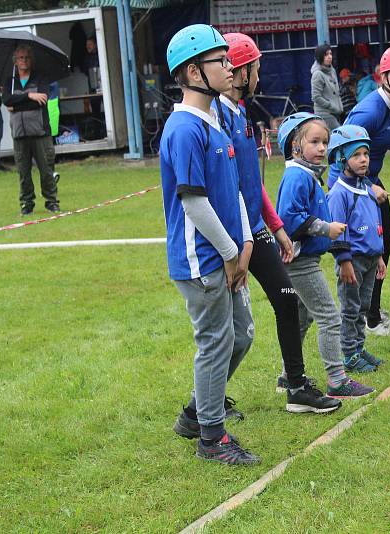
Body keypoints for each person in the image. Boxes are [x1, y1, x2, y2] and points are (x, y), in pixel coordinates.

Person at [209, 32, 341, 415]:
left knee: (285, 301)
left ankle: (296, 387)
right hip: (237, 236)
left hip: (257, 230)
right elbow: (228, 187)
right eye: (256, 67)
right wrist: (244, 243)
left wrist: (278, 227)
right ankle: (199, 408)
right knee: (231, 332)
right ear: (240, 69)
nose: (259, 75)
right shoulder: (217, 116)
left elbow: (254, 184)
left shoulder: (242, 112)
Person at [160, 24, 258, 465]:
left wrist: (247, 240)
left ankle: (197, 413)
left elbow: (233, 189)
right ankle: (211, 438)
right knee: (216, 341)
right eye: (220, 60)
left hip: (226, 252)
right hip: (202, 259)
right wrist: (230, 252)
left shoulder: (216, 121)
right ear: (193, 71)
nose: (229, 66)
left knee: (242, 336)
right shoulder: (183, 128)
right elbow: (194, 202)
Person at [275, 112, 375, 399]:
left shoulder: (307, 175)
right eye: (315, 141)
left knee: (302, 319)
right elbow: (289, 218)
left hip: (305, 259)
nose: (322, 148)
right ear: (295, 144)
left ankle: (287, 375)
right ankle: (337, 380)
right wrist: (325, 228)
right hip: (301, 262)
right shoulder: (297, 176)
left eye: (325, 142)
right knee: (330, 318)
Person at [328, 44, 390, 337]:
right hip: (354, 189)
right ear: (384, 76)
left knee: (384, 246)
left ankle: (372, 311)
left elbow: (386, 139)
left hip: (370, 182)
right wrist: (363, 192)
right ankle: (367, 320)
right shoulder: (369, 111)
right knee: (364, 253)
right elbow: (339, 156)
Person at [327, 125, 386, 373]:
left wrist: (380, 255)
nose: (363, 160)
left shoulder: (366, 187)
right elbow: (338, 232)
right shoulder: (339, 194)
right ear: (342, 160)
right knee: (350, 310)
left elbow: (375, 223)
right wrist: (344, 261)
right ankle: (349, 354)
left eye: (366, 154)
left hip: (371, 260)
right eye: (356, 155)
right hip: (353, 263)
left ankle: (360, 349)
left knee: (362, 307)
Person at [3, 44, 59, 215]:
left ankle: (52, 202)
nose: (24, 61)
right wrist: (29, 96)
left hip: (40, 131)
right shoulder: (10, 82)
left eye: (27, 57)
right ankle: (27, 204)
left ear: (31, 60)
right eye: (20, 58)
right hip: (19, 133)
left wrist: (17, 103)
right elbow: (7, 100)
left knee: (46, 169)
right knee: (23, 172)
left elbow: (42, 99)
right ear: (15, 61)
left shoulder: (41, 77)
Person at [311, 44, 344, 130]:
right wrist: (330, 105)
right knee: (340, 134)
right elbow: (316, 97)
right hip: (325, 113)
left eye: (330, 54)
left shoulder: (332, 70)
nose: (329, 57)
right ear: (320, 57)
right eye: (326, 55)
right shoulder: (318, 74)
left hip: (335, 112)